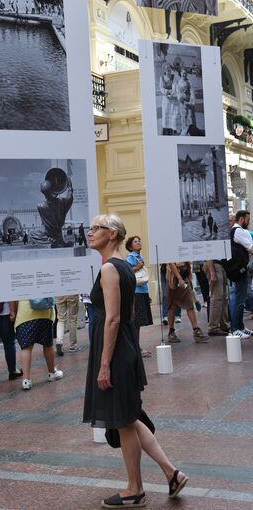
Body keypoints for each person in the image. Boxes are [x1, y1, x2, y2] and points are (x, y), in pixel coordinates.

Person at [83, 214, 188, 508]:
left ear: (113, 234)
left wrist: (104, 364)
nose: (90, 232)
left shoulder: (109, 269)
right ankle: (172, 473)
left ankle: (135, 489)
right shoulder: (125, 267)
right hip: (124, 348)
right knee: (129, 418)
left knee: (125, 421)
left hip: (115, 352)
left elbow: (114, 318)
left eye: (97, 228)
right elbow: (126, 316)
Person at [12, 299, 63, 390]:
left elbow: (14, 298)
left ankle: (26, 380)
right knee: (48, 345)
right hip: (45, 313)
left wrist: (13, 311)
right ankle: (52, 373)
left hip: (25, 314)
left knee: (26, 348)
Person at [166, 262, 209, 343]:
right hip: (173, 277)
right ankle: (171, 331)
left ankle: (196, 331)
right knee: (172, 304)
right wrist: (179, 278)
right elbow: (170, 262)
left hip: (184, 274)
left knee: (189, 303)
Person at [125, 236, 153, 358]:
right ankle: (136, 349)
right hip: (135, 292)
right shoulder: (130, 257)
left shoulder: (139, 257)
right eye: (135, 242)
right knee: (136, 322)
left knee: (139, 322)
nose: (138, 243)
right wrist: (137, 267)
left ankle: (136, 347)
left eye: (139, 241)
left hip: (142, 292)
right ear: (130, 246)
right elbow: (127, 273)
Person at [229, 210, 253, 338]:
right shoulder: (238, 231)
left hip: (242, 270)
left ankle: (240, 327)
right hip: (239, 271)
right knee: (238, 300)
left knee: (241, 300)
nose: (248, 222)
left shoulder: (239, 231)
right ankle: (235, 329)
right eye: (248, 220)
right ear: (242, 219)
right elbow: (251, 248)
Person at [204, 260, 229, 336]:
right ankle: (213, 328)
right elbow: (208, 255)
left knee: (223, 298)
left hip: (221, 266)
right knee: (216, 298)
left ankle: (224, 325)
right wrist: (212, 272)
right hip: (214, 265)